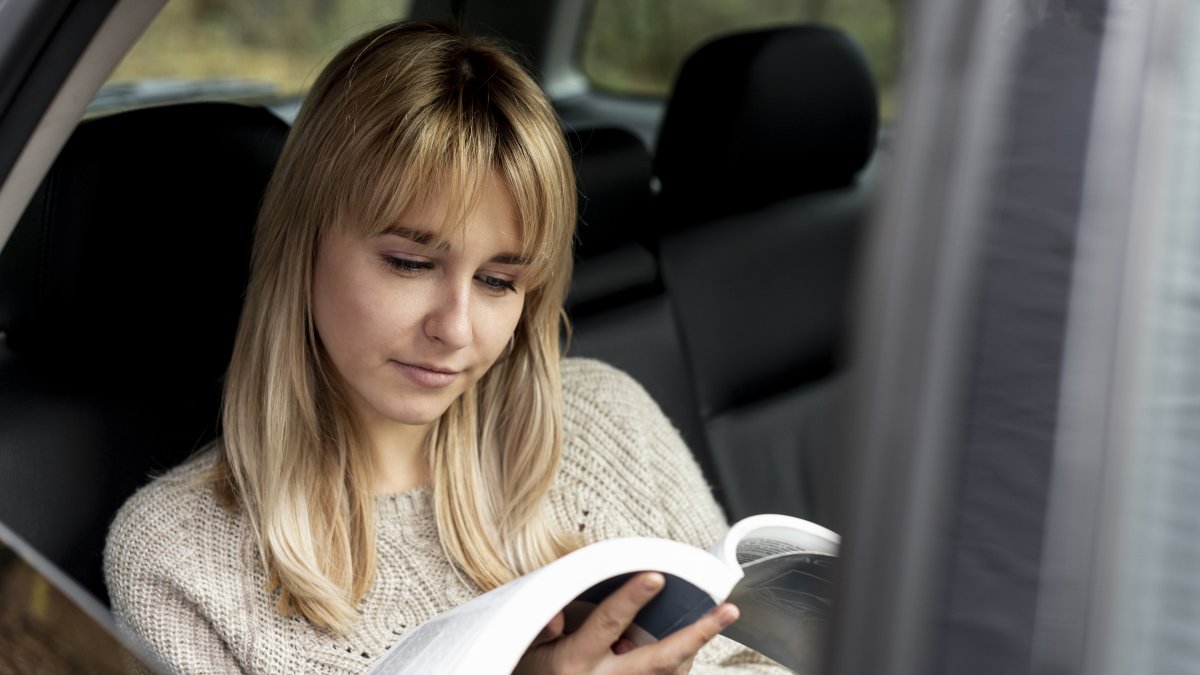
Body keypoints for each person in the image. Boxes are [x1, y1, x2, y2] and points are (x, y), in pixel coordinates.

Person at [104, 20, 790, 674]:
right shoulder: (178, 560)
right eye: (409, 263)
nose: (456, 329)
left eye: (498, 280)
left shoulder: (609, 419)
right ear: (303, 245)